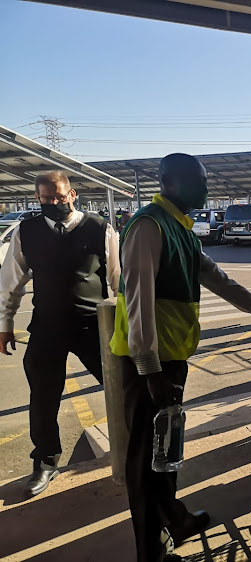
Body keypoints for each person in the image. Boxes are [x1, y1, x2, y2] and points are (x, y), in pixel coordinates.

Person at [110, 153, 251, 562]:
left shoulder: (181, 230)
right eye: (197, 180)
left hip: (171, 359)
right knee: (146, 459)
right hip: (150, 363)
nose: (205, 188)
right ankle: (152, 553)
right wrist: (150, 371)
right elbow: (138, 302)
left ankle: (173, 520)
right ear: (169, 182)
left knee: (164, 451)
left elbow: (221, 281)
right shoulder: (148, 226)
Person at [0, 170, 120, 498]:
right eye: (45, 199)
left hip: (93, 326)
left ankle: (133, 448)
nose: (54, 203)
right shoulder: (28, 231)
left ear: (73, 194)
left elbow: (118, 279)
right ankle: (46, 462)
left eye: (59, 196)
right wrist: (5, 325)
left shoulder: (100, 228)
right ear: (37, 199)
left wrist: (127, 323)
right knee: (42, 397)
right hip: (48, 326)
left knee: (123, 388)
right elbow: (10, 282)